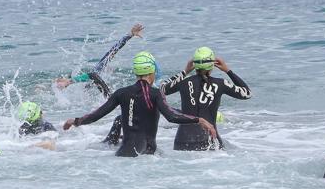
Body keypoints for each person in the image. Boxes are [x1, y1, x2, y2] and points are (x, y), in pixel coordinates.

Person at [63, 51, 217, 157]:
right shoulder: (156, 94)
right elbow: (171, 116)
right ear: (152, 71)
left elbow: (98, 114)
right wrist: (199, 120)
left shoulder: (121, 93)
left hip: (121, 154)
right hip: (146, 157)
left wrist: (76, 121)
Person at [159, 47, 251, 151]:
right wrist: (227, 70)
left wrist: (185, 71)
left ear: (195, 64)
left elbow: (162, 88)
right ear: (212, 65)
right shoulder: (221, 83)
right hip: (209, 142)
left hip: (182, 142)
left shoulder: (183, 82)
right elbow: (247, 93)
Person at [54, 23, 145, 97]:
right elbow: (110, 54)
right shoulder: (111, 96)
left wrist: (130, 35)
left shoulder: (109, 94)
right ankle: (66, 82)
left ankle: (65, 82)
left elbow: (110, 54)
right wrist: (129, 35)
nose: (110, 69)